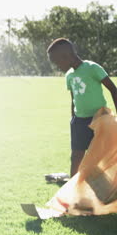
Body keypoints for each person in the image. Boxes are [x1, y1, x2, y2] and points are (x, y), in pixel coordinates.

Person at [47, 38, 117, 177]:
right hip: (79, 121)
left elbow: (113, 89)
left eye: (57, 62)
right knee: (76, 156)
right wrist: (73, 118)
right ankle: (72, 188)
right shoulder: (69, 75)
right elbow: (74, 98)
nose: (57, 66)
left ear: (66, 56)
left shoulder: (92, 68)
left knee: (101, 157)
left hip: (99, 119)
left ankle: (109, 187)